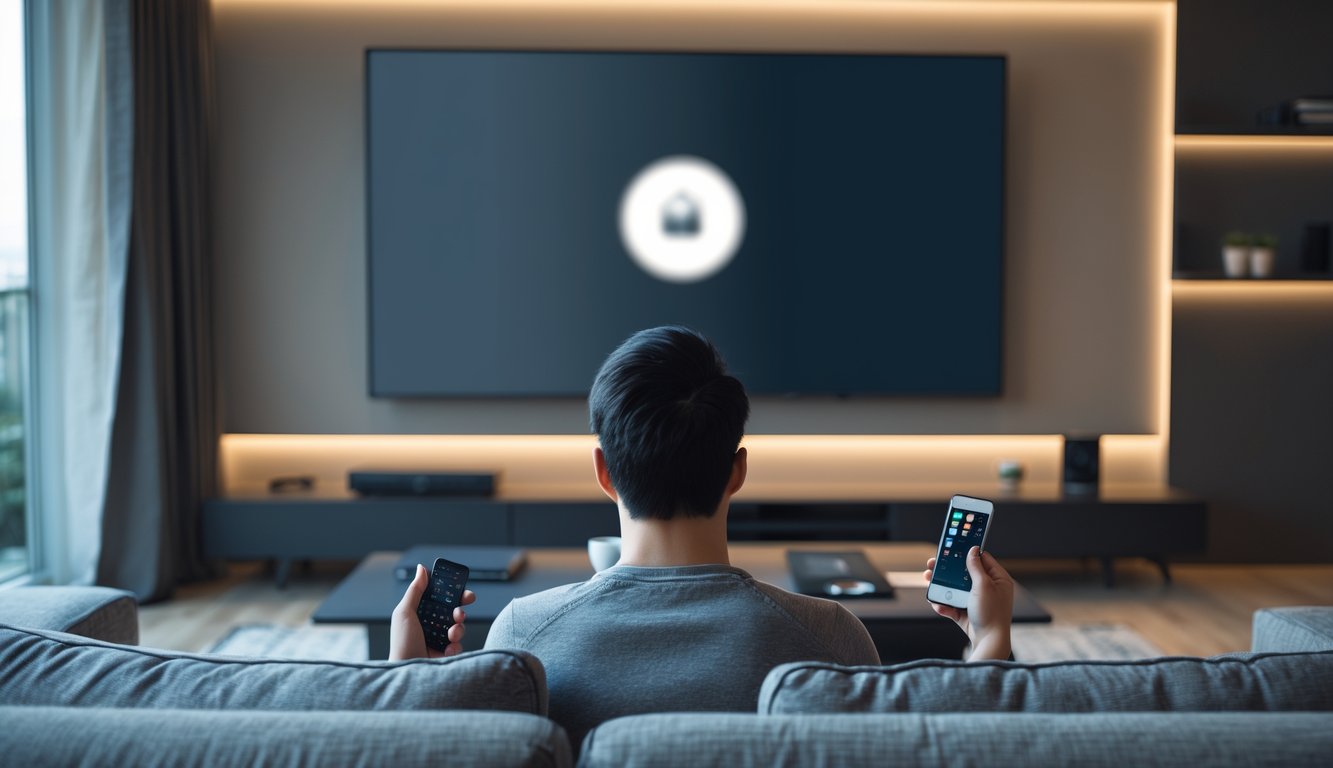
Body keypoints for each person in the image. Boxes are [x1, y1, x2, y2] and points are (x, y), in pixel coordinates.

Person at [389, 325, 1014, 746]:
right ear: (737, 471)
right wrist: (990, 637)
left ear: (603, 471)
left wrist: (412, 680)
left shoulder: (522, 635)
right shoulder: (832, 633)